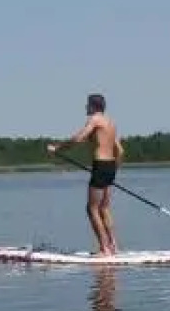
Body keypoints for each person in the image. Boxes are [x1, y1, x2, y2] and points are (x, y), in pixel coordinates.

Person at [48, 92, 124, 255]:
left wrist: (58, 148)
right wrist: (112, 171)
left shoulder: (95, 120)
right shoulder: (110, 123)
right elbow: (120, 150)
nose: (85, 107)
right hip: (110, 166)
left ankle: (104, 249)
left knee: (92, 209)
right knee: (104, 208)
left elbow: (78, 138)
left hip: (101, 165)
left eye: (87, 104)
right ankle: (114, 246)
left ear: (93, 106)